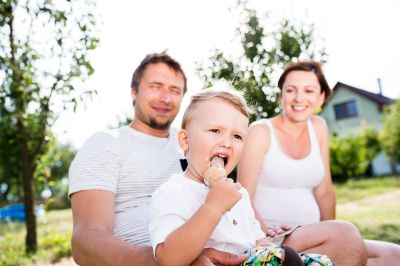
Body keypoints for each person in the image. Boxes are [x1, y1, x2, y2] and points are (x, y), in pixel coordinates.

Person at [69, 52, 247, 266]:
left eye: (175, 90)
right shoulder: (106, 143)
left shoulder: (199, 141)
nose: (165, 98)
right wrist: (174, 260)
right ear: (134, 91)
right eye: (156, 86)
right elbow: (84, 242)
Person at [237, 61, 400, 266]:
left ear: (322, 96)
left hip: (310, 233)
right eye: (290, 90)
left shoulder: (319, 127)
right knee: (348, 236)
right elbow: (242, 197)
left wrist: (330, 235)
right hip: (269, 238)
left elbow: (325, 192)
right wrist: (264, 239)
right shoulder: (260, 131)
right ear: (281, 94)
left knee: (394, 255)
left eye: (309, 90)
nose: (299, 98)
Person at [149, 89, 323, 266]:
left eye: (237, 136)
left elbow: (256, 241)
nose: (227, 143)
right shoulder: (171, 193)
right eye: (215, 130)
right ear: (185, 140)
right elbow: (169, 258)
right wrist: (214, 207)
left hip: (248, 259)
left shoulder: (240, 194)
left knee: (318, 261)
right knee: (287, 258)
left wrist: (271, 243)